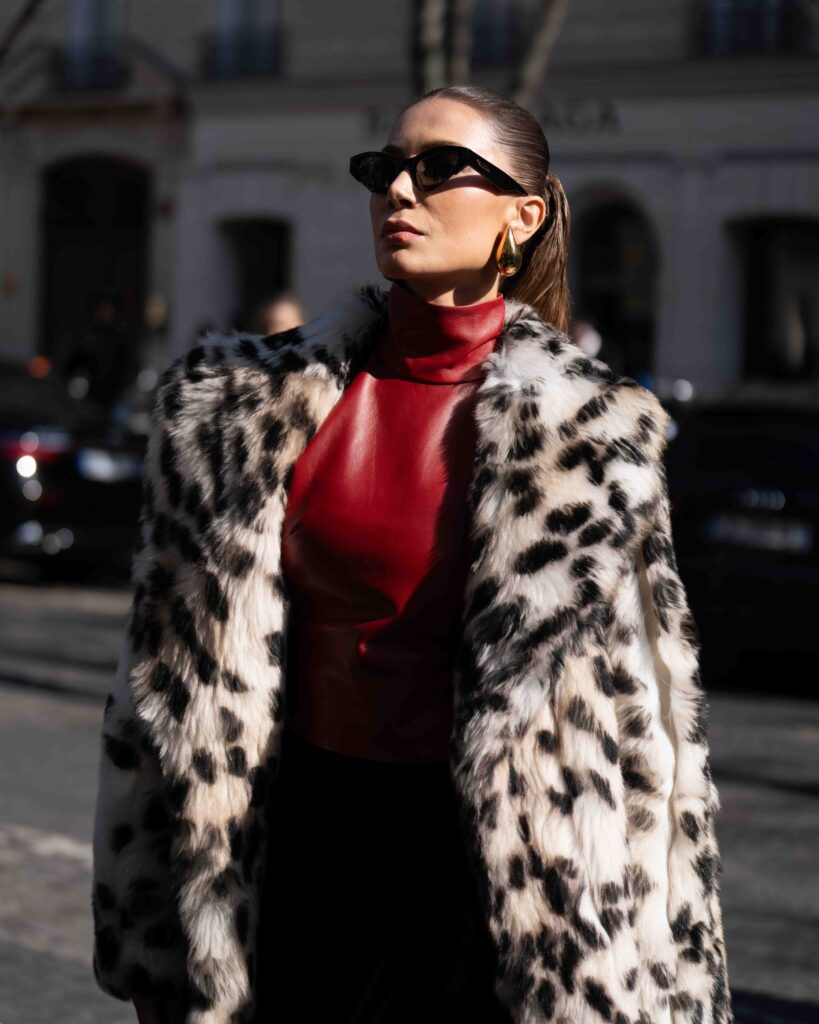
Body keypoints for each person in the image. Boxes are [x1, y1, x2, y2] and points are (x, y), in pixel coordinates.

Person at [91, 85, 733, 1024]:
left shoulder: (591, 439)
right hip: (288, 853)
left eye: (437, 170)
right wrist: (154, 942)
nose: (399, 189)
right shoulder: (238, 411)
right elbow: (159, 694)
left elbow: (652, 725)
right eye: (384, 168)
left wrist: (668, 974)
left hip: (486, 887)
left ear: (523, 213)